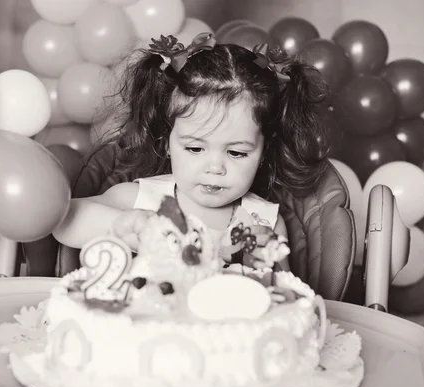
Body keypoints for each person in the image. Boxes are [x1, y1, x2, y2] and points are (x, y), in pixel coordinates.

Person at [53, 32, 331, 271]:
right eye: (195, 148)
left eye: (236, 153)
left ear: (264, 152)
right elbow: (65, 221)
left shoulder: (265, 222)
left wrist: (265, 263)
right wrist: (129, 224)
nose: (215, 167)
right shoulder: (140, 200)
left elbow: (288, 298)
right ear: (166, 141)